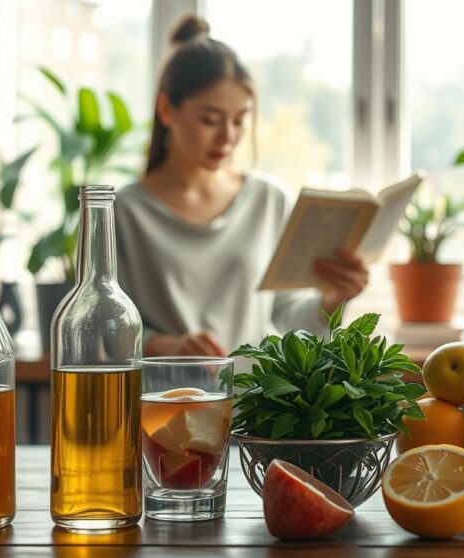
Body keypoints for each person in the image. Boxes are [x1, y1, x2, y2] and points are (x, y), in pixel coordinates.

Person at [115, 15, 369, 357]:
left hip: (258, 405)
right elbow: (102, 331)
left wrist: (334, 299)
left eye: (239, 120)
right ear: (166, 110)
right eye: (210, 120)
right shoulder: (122, 211)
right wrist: (167, 346)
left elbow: (286, 319)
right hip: (165, 404)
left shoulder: (269, 200)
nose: (228, 137)